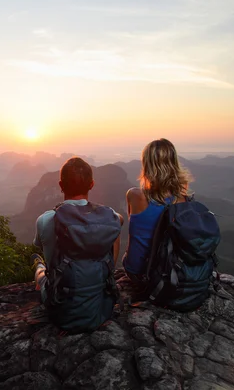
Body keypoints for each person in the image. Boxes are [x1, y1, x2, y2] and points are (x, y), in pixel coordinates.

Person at [32, 157, 123, 333]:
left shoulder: (45, 220)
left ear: (60, 185)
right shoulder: (110, 217)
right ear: (92, 185)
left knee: (41, 271)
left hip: (62, 310)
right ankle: (109, 273)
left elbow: (38, 244)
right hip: (101, 307)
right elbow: (119, 219)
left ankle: (38, 267)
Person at [123, 138, 192, 283]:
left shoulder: (135, 195)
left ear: (146, 164)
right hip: (170, 272)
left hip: (139, 272)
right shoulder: (182, 199)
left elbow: (134, 226)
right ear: (173, 163)